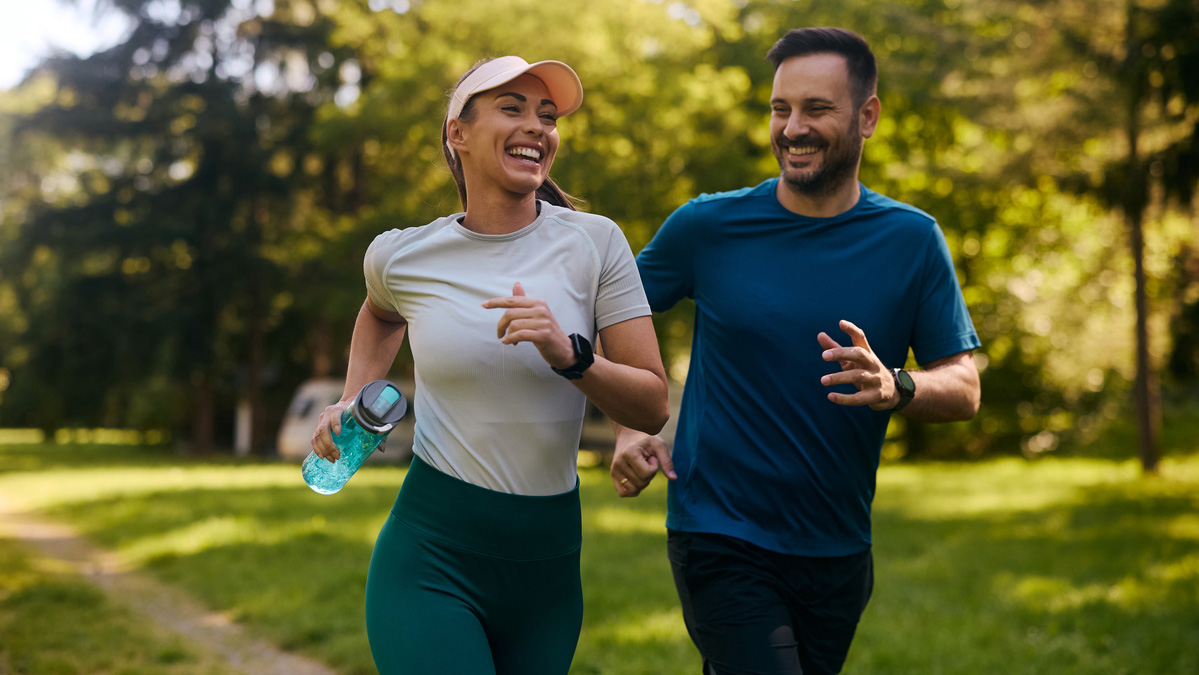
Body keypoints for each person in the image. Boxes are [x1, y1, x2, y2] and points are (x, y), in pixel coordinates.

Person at [609, 27, 982, 675]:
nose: (792, 128)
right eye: (780, 109)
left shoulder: (913, 240)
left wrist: (898, 385)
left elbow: (965, 386)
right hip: (719, 531)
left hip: (837, 547)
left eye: (817, 109)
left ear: (867, 116)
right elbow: (613, 313)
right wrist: (628, 422)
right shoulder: (707, 226)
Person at [310, 56, 669, 675]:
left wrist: (572, 357)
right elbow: (380, 313)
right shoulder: (401, 256)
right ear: (458, 132)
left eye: (547, 116)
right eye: (512, 108)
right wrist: (352, 396)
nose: (537, 127)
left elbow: (652, 403)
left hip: (547, 573)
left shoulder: (596, 243)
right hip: (431, 559)